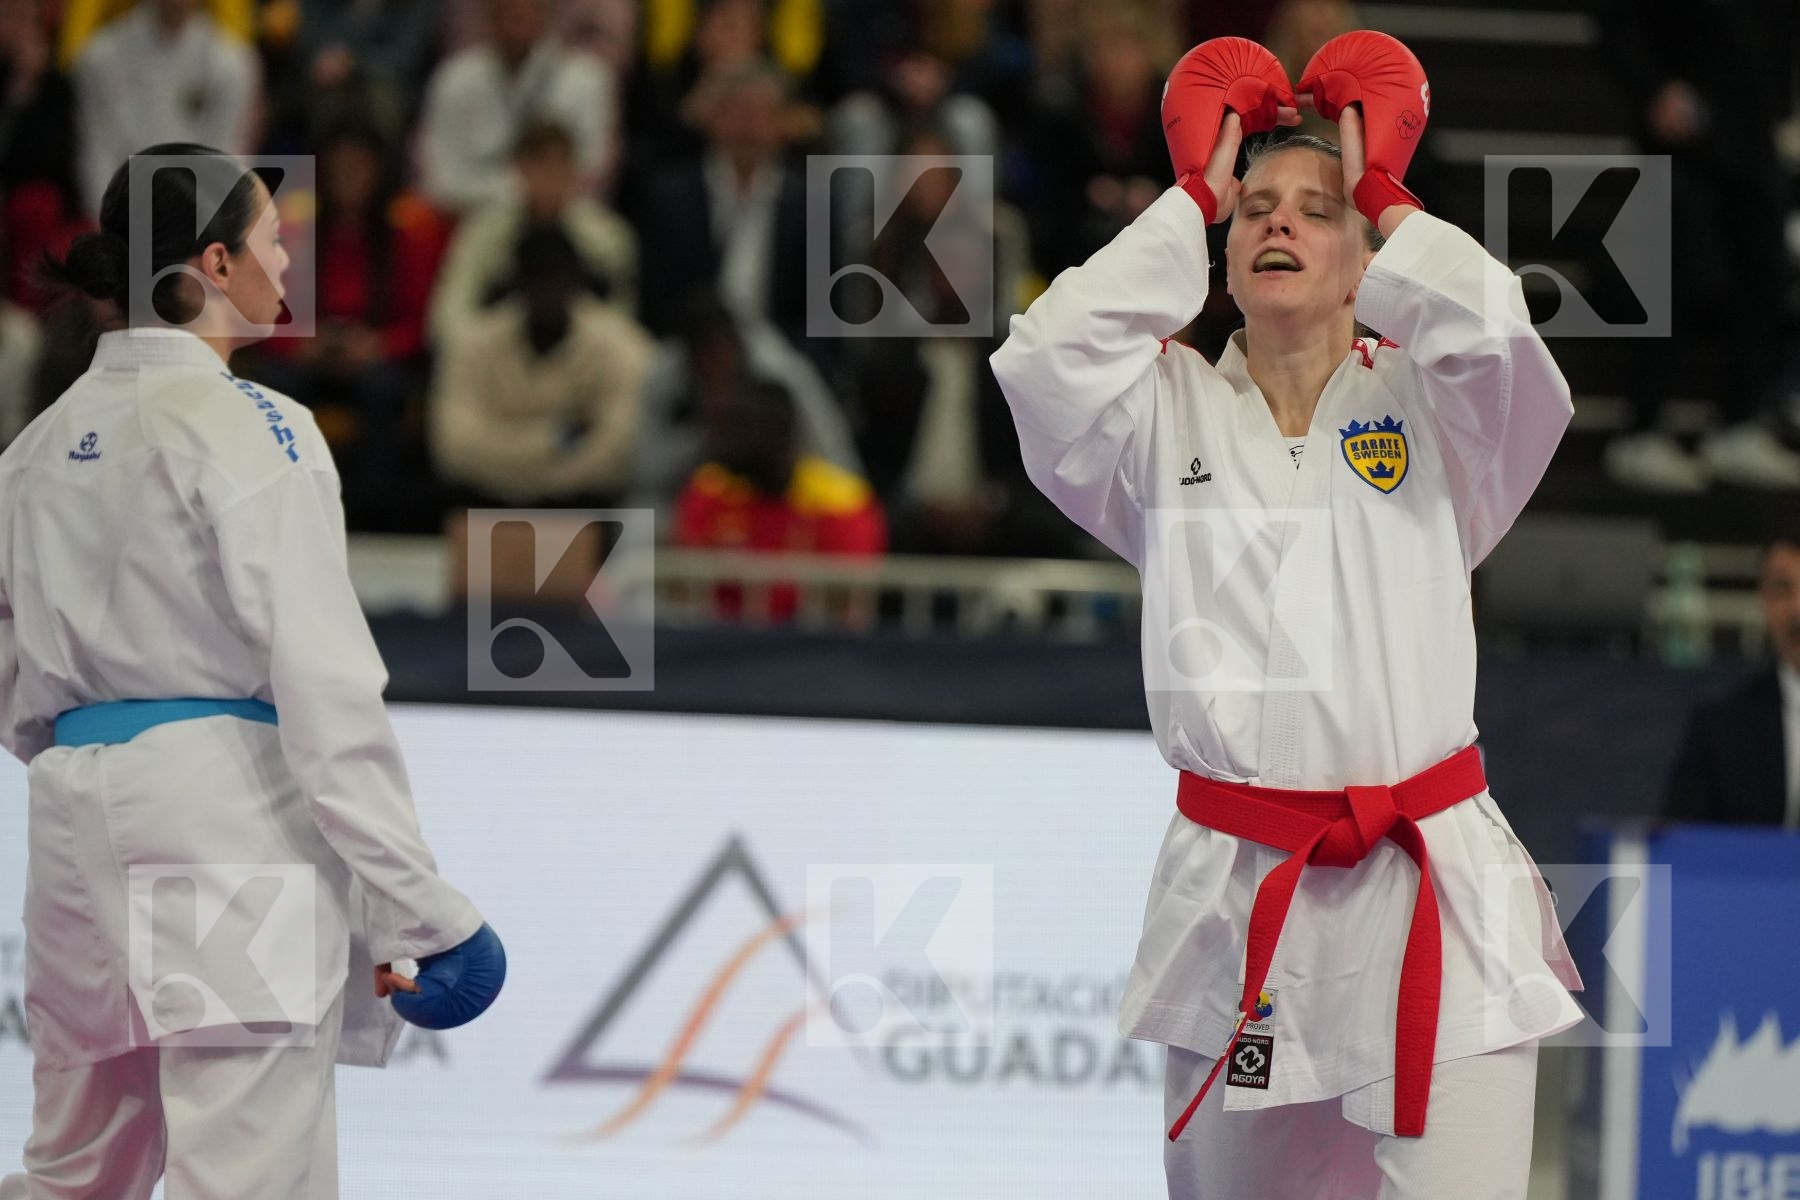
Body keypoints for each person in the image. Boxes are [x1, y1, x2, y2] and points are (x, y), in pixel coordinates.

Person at [990, 35, 1583, 1198]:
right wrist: (1187, 192)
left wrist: (1386, 190)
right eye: (1254, 206)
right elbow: (1041, 362)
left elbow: (1505, 337)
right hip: (1238, 894)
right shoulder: (1160, 417)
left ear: (1371, 260)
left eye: (1318, 211)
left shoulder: (1437, 409)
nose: (1279, 224)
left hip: (1433, 894)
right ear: (1216, 250)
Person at [0, 144, 497, 1199]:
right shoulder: (259, 427)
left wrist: (90, 757)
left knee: (72, 1175)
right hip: (226, 820)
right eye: (275, 240)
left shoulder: (33, 450)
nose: (289, 260)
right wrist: (424, 910)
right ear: (216, 264)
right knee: (250, 1179)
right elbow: (326, 686)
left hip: (69, 817)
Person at [431, 223, 654, 506]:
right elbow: (455, 449)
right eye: (536, 280)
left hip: (582, 507)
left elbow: (618, 455)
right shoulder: (473, 346)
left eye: (556, 279)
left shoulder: (622, 346)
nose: (547, 291)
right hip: (487, 502)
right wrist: (556, 440)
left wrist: (537, 483)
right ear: (518, 284)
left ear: (575, 282)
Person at [417, 0, 614, 216]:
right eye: (508, 10)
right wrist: (508, 196)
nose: (517, 18)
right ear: (490, 15)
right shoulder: (454, 77)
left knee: (608, 239)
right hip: (468, 214)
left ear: (547, 14)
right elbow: (438, 176)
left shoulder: (588, 79)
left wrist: (539, 195)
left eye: (527, 10)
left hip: (558, 218)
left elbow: (590, 171)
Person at [71, 0, 260, 216]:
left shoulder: (233, 64)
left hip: (200, 225)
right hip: (121, 220)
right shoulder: (99, 58)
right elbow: (97, 160)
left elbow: (228, 162)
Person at [1665, 531, 1800, 827]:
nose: (1797, 611)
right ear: (1763, 599)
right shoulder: (1721, 726)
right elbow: (1682, 845)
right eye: (1782, 589)